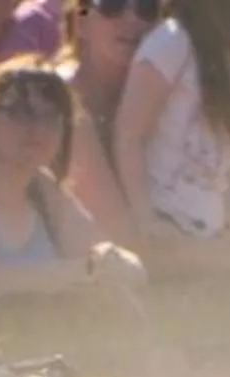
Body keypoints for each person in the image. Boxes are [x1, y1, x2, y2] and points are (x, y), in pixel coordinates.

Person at [0, 53, 139, 292]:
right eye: (19, 113)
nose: (36, 127)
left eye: (50, 116)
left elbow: (108, 256)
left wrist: (116, 262)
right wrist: (85, 271)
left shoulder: (44, 191)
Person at [111, 0, 230, 268]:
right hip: (164, 224)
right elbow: (128, 135)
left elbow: (221, 166)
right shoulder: (172, 42)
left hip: (208, 230)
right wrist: (145, 218)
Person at [52, 0, 145, 230]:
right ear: (81, 22)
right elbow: (116, 227)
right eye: (112, 6)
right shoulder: (58, 95)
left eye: (147, 7)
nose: (131, 19)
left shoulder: (158, 95)